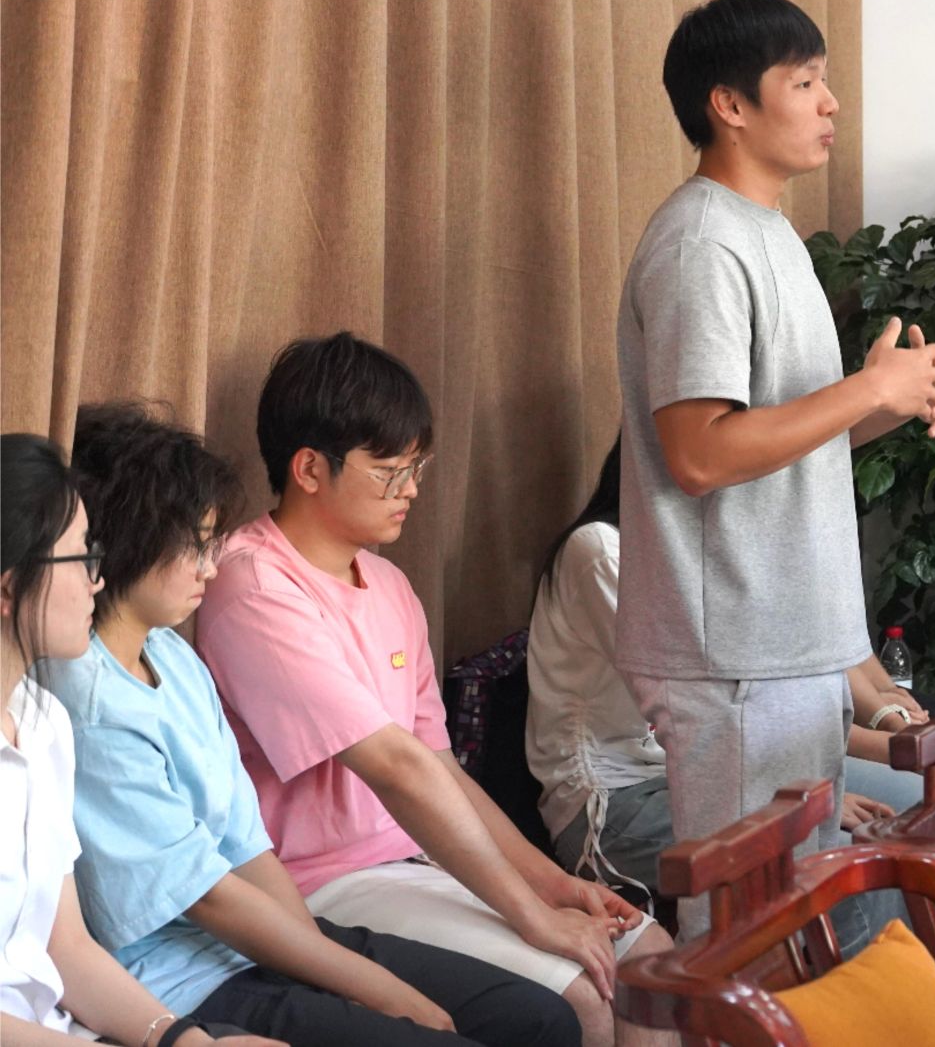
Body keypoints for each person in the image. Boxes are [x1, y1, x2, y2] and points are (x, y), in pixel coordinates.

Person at [49, 403, 579, 1047]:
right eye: (195, 544)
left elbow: (248, 845)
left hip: (268, 934)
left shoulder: (172, 655)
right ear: (132, 538)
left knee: (540, 1017)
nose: (210, 567)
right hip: (186, 976)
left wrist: (324, 965)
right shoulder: (91, 699)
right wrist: (367, 984)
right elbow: (206, 896)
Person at [196, 334, 672, 1047]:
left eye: (417, 467)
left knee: (651, 958)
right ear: (310, 469)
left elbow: (441, 768)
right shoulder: (252, 585)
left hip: (417, 861)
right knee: (587, 992)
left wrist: (554, 885)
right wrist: (534, 917)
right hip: (322, 883)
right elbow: (397, 766)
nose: (412, 490)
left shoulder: (391, 585)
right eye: (391, 471)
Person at [615, 0, 935, 937]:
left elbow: (781, 444)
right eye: (803, 82)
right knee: (746, 940)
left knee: (796, 933)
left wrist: (888, 403)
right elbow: (699, 454)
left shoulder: (768, 234)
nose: (830, 102)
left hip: (784, 640)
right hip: (733, 647)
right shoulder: (700, 243)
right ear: (730, 104)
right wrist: (867, 387)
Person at [525, 435, 927, 899]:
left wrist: (886, 726)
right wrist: (830, 784)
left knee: (922, 804)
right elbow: (707, 708)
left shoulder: (717, 549)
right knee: (848, 860)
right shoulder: (601, 551)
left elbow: (800, 659)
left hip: (728, 771)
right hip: (620, 802)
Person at [2, 432, 282, 1047]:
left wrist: (181, 1040)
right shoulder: (85, 709)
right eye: (80, 559)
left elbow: (66, 947)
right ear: (9, 587)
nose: (97, 581)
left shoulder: (43, 725)